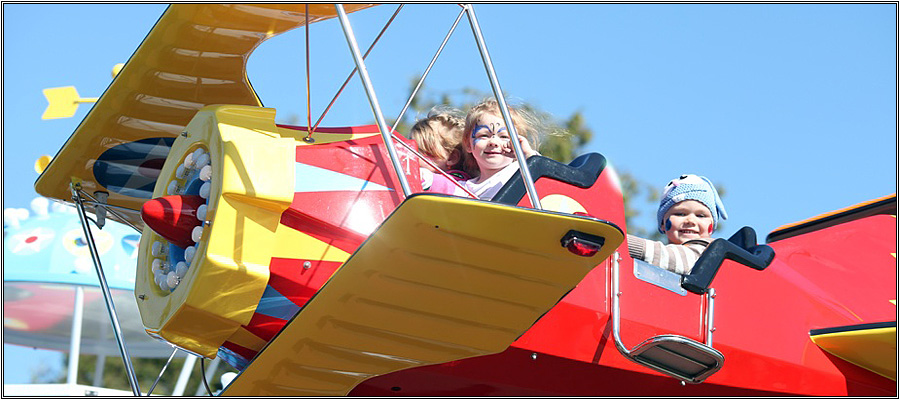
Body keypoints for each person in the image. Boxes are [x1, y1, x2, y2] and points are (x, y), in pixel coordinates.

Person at [627, 174, 727, 275]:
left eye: (700, 215)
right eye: (680, 214)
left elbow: (673, 258)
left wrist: (623, 242)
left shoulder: (708, 250)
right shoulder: (662, 259)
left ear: (712, 226)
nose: (690, 220)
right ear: (663, 223)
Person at [461, 99, 541, 200]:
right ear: (468, 144)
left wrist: (527, 156)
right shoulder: (461, 189)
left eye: (504, 137)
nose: (493, 142)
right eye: (484, 135)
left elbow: (545, 181)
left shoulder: (521, 173)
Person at [408, 110, 472, 196]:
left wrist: (424, 177)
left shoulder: (459, 180)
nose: (413, 156)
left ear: (452, 158)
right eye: (411, 149)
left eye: (422, 151)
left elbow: (448, 186)